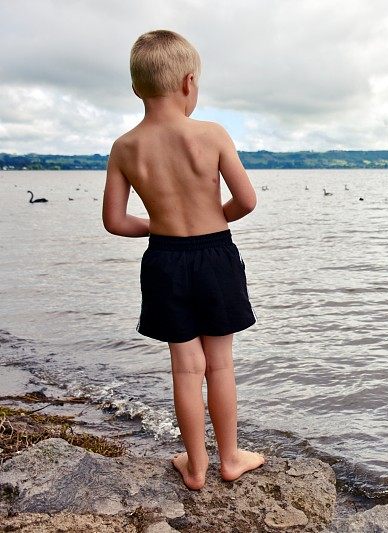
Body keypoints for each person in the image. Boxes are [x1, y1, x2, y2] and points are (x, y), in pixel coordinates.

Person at [102, 30, 264, 490]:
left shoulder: (125, 147)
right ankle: (229, 458)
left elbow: (114, 221)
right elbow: (247, 201)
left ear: (137, 88)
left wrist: (159, 225)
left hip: (165, 260)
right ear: (190, 82)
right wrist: (213, 218)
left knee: (185, 368)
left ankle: (195, 467)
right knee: (221, 365)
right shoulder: (210, 134)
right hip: (215, 255)